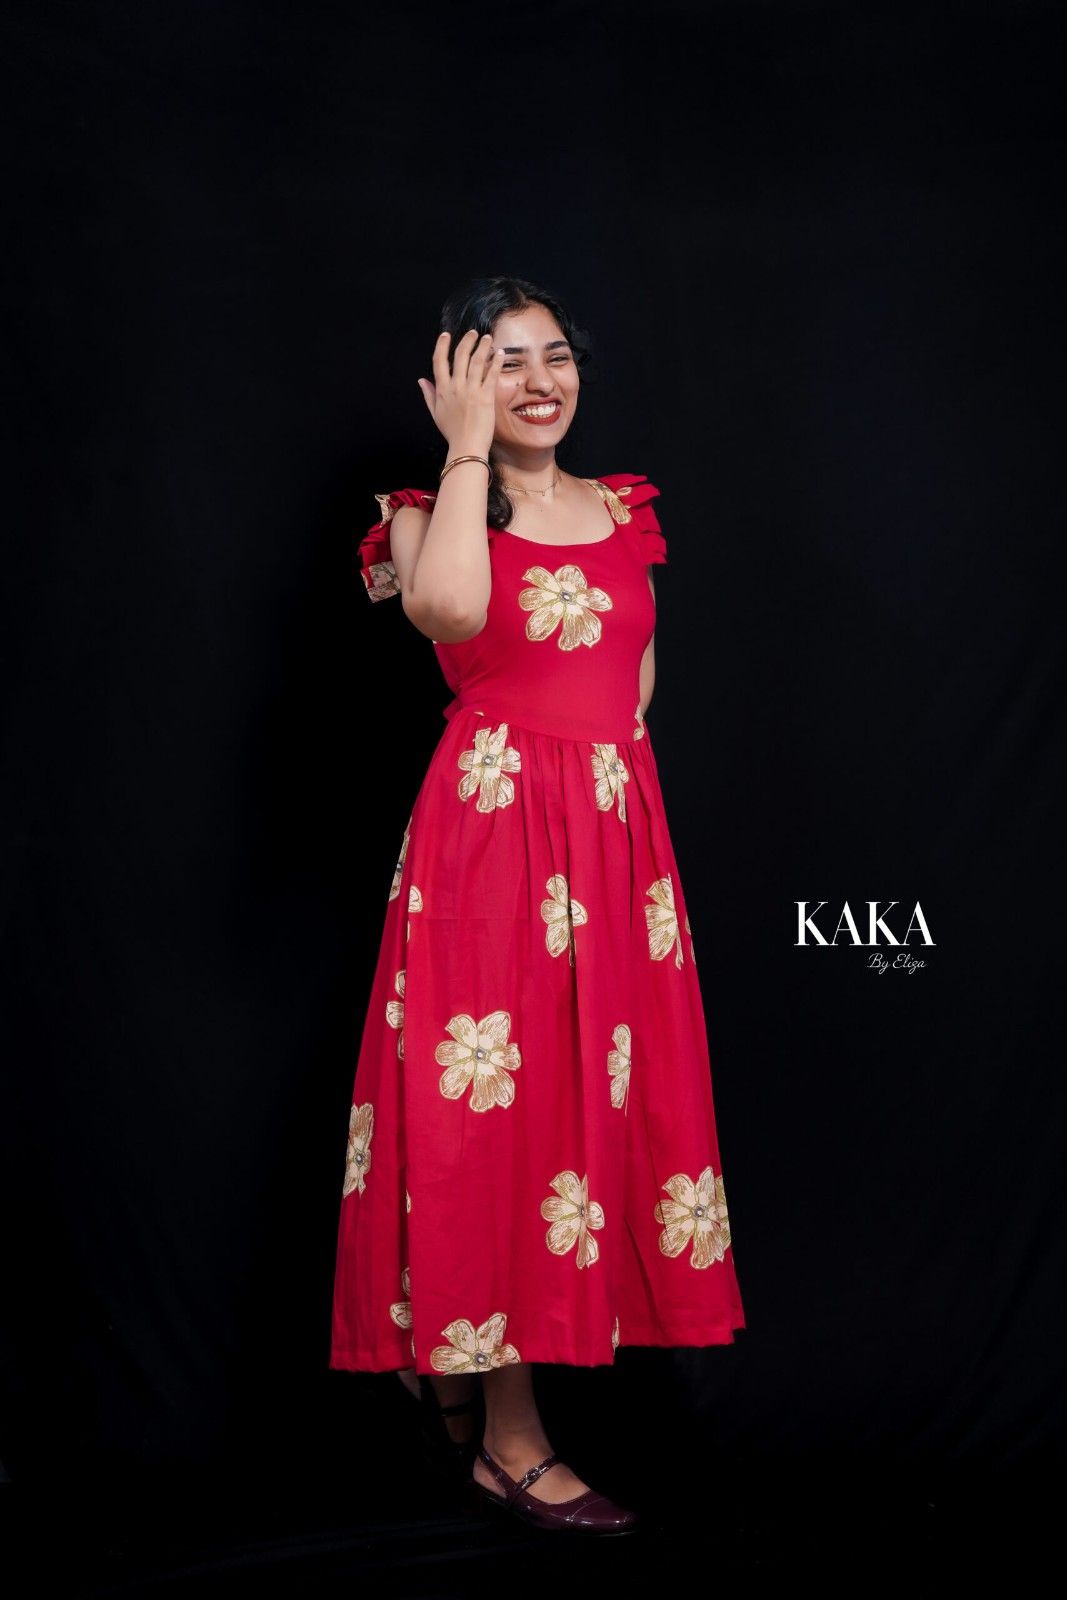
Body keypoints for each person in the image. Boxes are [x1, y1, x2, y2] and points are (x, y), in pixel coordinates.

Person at [329, 276, 745, 1534]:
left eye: (553, 355)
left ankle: (461, 1377)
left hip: (613, 844)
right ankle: (506, 1439)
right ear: (456, 380)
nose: (536, 381)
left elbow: (634, 685)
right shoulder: (420, 515)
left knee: (590, 1108)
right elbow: (449, 612)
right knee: (497, 1119)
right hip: (492, 836)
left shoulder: (624, 510)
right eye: (501, 361)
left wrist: (605, 818)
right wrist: (464, 449)